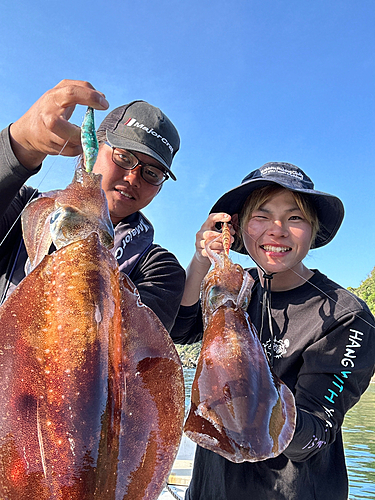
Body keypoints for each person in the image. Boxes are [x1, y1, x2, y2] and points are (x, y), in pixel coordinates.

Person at [171, 162, 375, 500]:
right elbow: (181, 329)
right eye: (261, 216)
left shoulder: (347, 316)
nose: (276, 230)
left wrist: (242, 374)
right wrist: (200, 261)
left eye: (295, 218)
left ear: (313, 229)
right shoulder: (234, 288)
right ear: (236, 228)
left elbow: (314, 436)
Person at [0, 79, 185, 332]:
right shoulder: (20, 205)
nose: (133, 177)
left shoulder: (161, 270)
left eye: (152, 173)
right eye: (123, 157)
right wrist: (18, 146)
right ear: (93, 150)